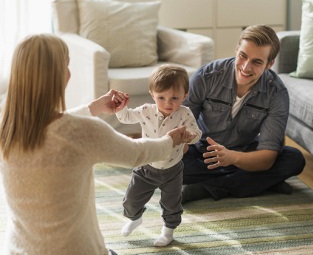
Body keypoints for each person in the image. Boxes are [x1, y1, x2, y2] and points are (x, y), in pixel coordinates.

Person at [0, 34, 191, 255]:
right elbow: (137, 154)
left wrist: (93, 108)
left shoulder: (7, 128)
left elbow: (50, 125)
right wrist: (170, 141)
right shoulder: (84, 132)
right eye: (67, 65)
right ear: (60, 76)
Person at [181, 25, 306, 204]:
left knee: (294, 160)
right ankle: (258, 183)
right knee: (172, 164)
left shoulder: (277, 93)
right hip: (203, 152)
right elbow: (180, 125)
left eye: (257, 62)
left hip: (245, 154)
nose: (246, 67)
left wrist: (232, 157)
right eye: (243, 56)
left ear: (269, 64)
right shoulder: (206, 77)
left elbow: (268, 156)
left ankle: (206, 188)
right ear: (236, 50)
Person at [114, 64, 202, 246]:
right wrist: (121, 107)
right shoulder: (146, 110)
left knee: (171, 205)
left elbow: (197, 133)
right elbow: (126, 117)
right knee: (131, 201)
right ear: (152, 94)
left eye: (174, 98)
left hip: (173, 170)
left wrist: (190, 136)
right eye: (161, 97)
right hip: (146, 166)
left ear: (185, 96)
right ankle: (135, 218)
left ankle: (168, 232)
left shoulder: (184, 114)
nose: (168, 103)